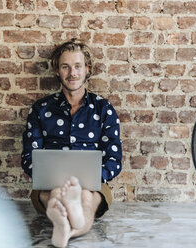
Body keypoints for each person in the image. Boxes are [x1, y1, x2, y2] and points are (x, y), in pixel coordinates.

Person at [21, 39, 122, 248]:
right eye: (65, 67)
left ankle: (65, 228)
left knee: (86, 196)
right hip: (49, 185)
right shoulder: (41, 108)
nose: (72, 73)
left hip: (94, 185)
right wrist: (46, 176)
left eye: (77, 66)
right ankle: (73, 222)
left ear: (87, 69)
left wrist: (95, 178)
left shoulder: (103, 108)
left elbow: (114, 158)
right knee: (56, 193)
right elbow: (29, 157)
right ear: (57, 71)